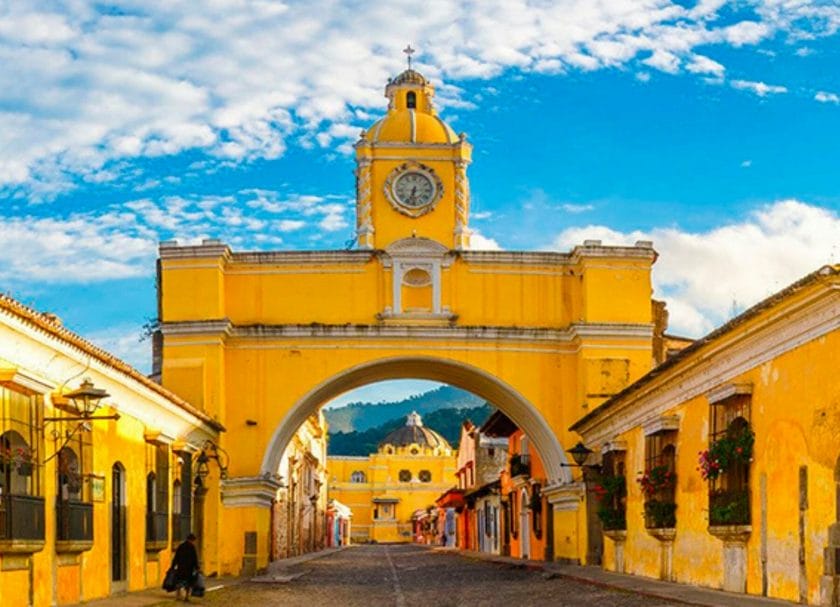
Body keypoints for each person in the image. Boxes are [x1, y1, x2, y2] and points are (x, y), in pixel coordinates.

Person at [171, 533, 200, 602]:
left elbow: (176, 557)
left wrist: (173, 566)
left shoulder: (181, 546)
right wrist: (197, 567)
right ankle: (186, 597)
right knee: (188, 583)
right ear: (192, 540)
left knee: (179, 581)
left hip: (181, 567)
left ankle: (178, 595)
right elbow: (194, 558)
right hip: (189, 568)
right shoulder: (192, 548)